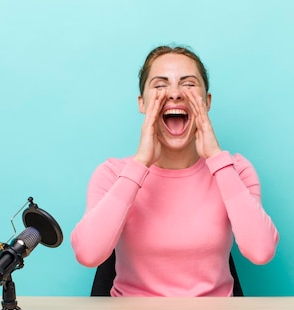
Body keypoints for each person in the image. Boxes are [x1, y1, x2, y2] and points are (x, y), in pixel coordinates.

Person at [71, 45, 279, 296]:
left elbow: (261, 251)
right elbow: (88, 253)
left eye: (188, 84)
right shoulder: (112, 173)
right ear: (143, 104)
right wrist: (139, 165)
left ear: (207, 101)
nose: (175, 94)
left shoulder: (236, 170)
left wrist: (216, 158)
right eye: (160, 86)